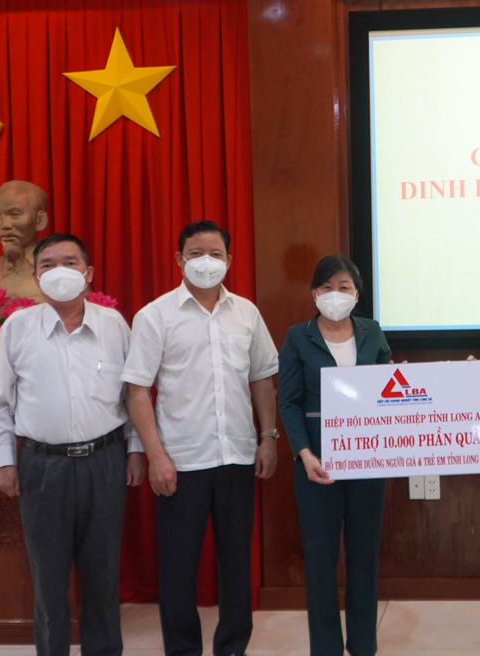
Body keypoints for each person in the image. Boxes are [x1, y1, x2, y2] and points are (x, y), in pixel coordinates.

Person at [121, 220, 279, 656]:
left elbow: (263, 377)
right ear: (179, 260)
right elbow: (137, 390)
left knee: (236, 566)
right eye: (195, 253)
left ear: (229, 260)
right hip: (180, 461)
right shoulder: (155, 315)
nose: (205, 262)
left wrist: (268, 437)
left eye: (214, 254)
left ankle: (232, 647)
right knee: (178, 569)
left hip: (237, 458)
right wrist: (155, 456)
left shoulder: (246, 312)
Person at [0, 233, 146, 656]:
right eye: (48, 264)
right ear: (36, 277)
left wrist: (135, 450)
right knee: (49, 580)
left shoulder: (114, 325)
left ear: (88, 274)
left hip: (105, 462)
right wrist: (5, 462)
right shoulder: (17, 328)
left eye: (70, 263)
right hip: (42, 467)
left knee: (102, 576)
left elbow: (132, 394)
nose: (60, 272)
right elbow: (0, 402)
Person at [277, 255, 392, 656]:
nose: (335, 295)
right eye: (327, 287)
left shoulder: (372, 331)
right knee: (321, 560)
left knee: (364, 557)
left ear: (356, 295)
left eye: (344, 287)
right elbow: (288, 402)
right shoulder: (297, 336)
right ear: (314, 293)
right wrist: (303, 454)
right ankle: (325, 648)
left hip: (369, 461)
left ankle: (363, 646)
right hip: (316, 464)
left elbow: (388, 387)